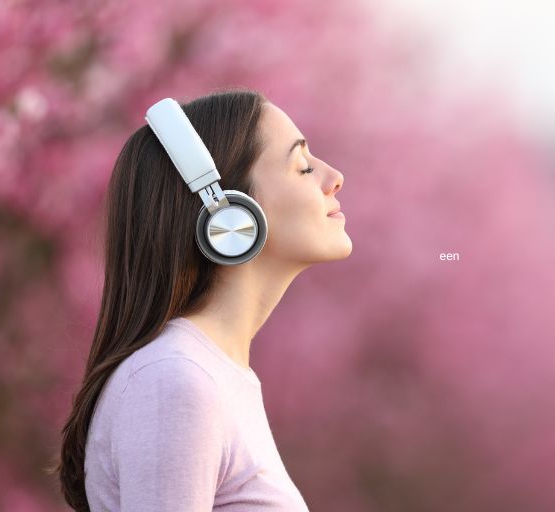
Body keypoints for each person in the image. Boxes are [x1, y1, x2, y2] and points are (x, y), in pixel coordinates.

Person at [51, 88, 351, 511]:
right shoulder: (174, 380)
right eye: (303, 167)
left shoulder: (211, 377)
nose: (334, 176)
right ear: (230, 215)